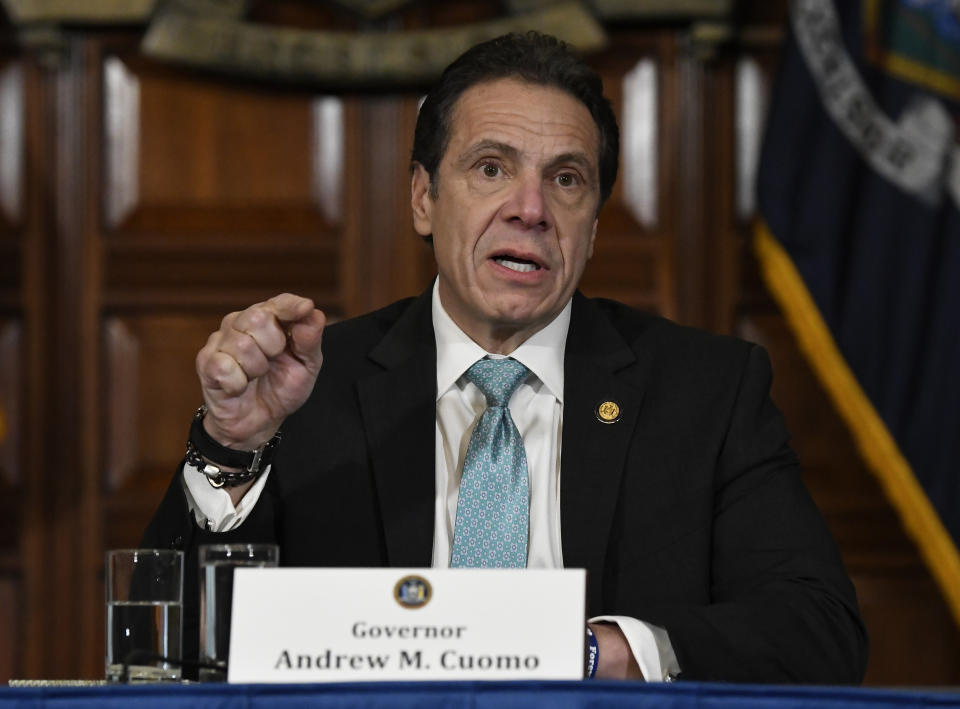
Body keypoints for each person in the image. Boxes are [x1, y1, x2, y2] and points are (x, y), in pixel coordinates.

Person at [143, 31, 868, 683]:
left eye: (566, 178)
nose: (531, 208)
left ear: (591, 227)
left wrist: (609, 652)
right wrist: (232, 445)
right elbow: (165, 647)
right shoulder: (306, 384)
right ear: (424, 198)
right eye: (491, 168)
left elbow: (819, 629)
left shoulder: (707, 392)